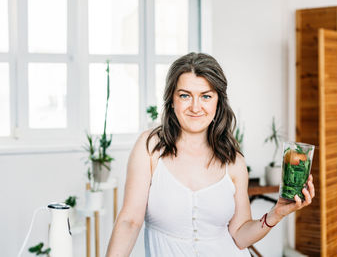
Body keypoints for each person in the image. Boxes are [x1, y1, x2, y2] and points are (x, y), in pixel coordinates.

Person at [106, 52, 315, 257]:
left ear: (218, 102)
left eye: (206, 96)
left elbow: (240, 235)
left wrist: (276, 213)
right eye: (185, 95)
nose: (195, 107)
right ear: (171, 100)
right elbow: (129, 222)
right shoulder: (150, 147)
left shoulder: (233, 161)